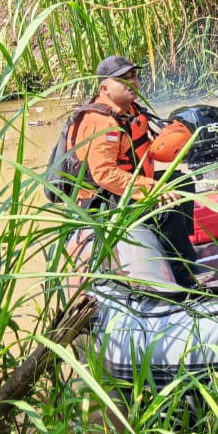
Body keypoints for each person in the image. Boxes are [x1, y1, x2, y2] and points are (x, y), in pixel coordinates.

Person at [71, 55, 198, 288]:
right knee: (166, 208)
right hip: (104, 199)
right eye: (123, 79)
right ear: (104, 88)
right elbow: (104, 174)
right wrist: (151, 187)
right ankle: (181, 274)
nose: (132, 82)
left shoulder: (131, 110)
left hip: (131, 185)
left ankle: (184, 251)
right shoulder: (101, 122)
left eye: (133, 76)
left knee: (182, 182)